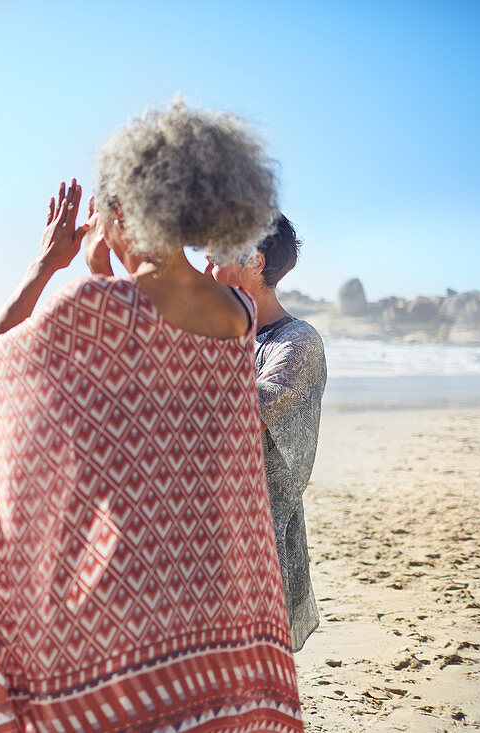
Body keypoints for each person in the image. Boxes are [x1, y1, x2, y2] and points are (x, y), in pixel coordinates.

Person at [0, 100, 303, 731]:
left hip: (129, 585)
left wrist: (53, 266)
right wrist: (101, 272)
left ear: (120, 213)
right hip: (216, 582)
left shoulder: (97, 306)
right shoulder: (236, 311)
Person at [206, 214, 326, 651]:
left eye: (215, 259)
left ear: (255, 262)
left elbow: (247, 409)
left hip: (258, 538)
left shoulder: (297, 342)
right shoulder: (215, 333)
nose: (207, 272)